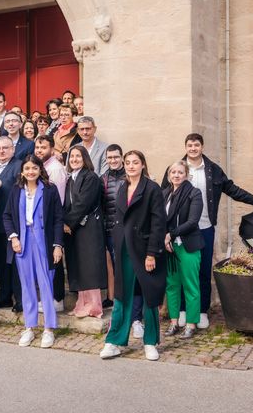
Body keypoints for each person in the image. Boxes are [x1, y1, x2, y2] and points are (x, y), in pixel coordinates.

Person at [162, 133, 253, 329]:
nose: (193, 148)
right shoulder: (175, 168)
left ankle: (202, 310)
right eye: (189, 145)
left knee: (201, 271)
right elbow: (163, 197)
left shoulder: (212, 170)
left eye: (196, 145)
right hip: (177, 232)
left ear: (202, 147)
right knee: (179, 274)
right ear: (185, 147)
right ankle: (184, 311)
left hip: (203, 227)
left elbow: (232, 189)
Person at [100, 150, 166, 361]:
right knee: (122, 296)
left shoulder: (152, 188)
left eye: (135, 162)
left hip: (145, 250)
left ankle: (150, 342)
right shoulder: (122, 188)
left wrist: (152, 253)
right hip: (124, 250)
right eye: (127, 162)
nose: (130, 166)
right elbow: (118, 220)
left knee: (149, 297)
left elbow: (158, 223)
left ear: (143, 165)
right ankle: (114, 341)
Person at [3, 155, 64, 348]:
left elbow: (58, 219)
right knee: (27, 285)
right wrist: (13, 237)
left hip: (43, 241)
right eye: (27, 168)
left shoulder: (50, 190)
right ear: (22, 171)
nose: (30, 171)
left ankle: (48, 328)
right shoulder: (16, 190)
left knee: (46, 283)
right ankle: (29, 327)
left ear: (40, 170)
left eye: (34, 168)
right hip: (22, 242)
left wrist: (57, 245)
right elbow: (7, 216)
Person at [63, 145, 107, 318]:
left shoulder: (91, 177)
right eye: (71, 157)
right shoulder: (70, 178)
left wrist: (67, 222)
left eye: (78, 156)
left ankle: (94, 306)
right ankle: (82, 303)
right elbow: (67, 203)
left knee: (90, 266)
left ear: (85, 158)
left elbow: (83, 203)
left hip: (88, 227)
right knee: (78, 265)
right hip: (74, 227)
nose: (74, 159)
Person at [163, 160, 204, 339]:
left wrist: (170, 234)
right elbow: (158, 220)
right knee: (172, 286)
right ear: (169, 175)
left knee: (190, 286)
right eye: (173, 172)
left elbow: (192, 221)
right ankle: (174, 322)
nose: (176, 175)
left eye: (180, 172)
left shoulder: (194, 193)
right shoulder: (164, 194)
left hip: (188, 246)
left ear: (186, 174)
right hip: (169, 247)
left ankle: (191, 323)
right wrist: (164, 237)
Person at [0, 136, 22, 311]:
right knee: (2, 262)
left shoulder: (18, 166)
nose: (1, 151)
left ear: (13, 149)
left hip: (14, 222)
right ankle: (4, 296)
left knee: (15, 263)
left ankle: (20, 299)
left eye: (5, 148)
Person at [34, 135, 67, 312]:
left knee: (55, 260)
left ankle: (57, 298)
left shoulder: (55, 168)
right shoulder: (41, 167)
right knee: (45, 261)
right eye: (37, 147)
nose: (39, 150)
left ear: (52, 149)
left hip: (52, 221)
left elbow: (59, 200)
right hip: (40, 222)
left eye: (43, 147)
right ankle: (49, 296)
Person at [100, 144, 126, 310]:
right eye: (110, 158)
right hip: (109, 229)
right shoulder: (103, 178)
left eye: (116, 157)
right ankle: (115, 297)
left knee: (125, 265)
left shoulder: (129, 176)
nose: (113, 160)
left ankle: (126, 299)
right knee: (114, 265)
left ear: (121, 157)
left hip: (127, 229)